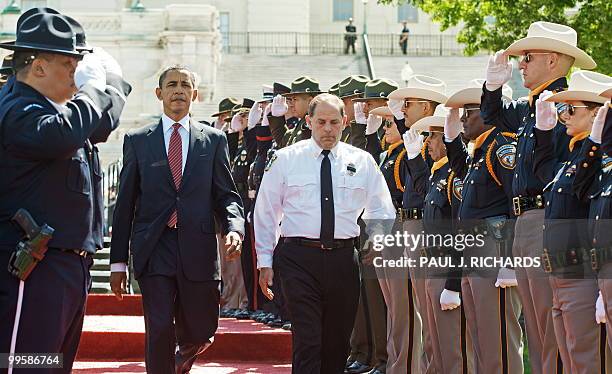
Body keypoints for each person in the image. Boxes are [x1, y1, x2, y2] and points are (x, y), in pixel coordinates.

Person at [0, 11, 130, 373]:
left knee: (53, 365)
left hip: (66, 265)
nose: (77, 75)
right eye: (70, 65)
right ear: (39, 68)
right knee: (25, 365)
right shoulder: (17, 107)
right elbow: (63, 133)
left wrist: (112, 82)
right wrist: (92, 89)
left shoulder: (55, 110)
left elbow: (102, 124)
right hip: (32, 268)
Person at [109, 65, 244, 374]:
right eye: (172, 84)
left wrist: (234, 228)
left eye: (185, 85)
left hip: (197, 246)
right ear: (160, 93)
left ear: (194, 94)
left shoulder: (214, 140)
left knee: (201, 329)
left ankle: (179, 359)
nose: (179, 90)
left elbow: (227, 195)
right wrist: (118, 262)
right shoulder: (138, 140)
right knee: (158, 328)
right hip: (154, 247)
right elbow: (125, 204)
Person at [481, 20, 597, 374]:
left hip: (549, 219)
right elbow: (493, 115)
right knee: (535, 325)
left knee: (554, 325)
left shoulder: (569, 107)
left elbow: (561, 176)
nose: (521, 65)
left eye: (528, 57)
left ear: (552, 60)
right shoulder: (533, 104)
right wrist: (491, 86)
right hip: (525, 223)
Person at [254, 93, 396, 373]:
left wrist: (378, 238)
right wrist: (265, 261)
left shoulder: (362, 161)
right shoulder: (286, 160)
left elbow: (381, 206)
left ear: (344, 122)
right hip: (297, 259)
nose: (328, 129)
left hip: (343, 259)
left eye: (334, 122)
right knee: (308, 340)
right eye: (321, 122)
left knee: (337, 343)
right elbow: (267, 212)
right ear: (309, 122)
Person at [533, 70, 612, 373]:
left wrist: (594, 142)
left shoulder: (598, 159)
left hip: (583, 276)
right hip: (559, 274)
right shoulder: (572, 155)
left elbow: (583, 186)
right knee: (570, 359)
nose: (564, 116)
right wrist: (542, 133)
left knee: (588, 360)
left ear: (597, 114)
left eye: (571, 109)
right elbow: (540, 172)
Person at [443, 87, 524, 374]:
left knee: (498, 337)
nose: (464, 119)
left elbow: (515, 203)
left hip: (493, 250)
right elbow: (459, 170)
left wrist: (509, 261)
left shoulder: (502, 148)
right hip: (474, 250)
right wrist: (450, 138)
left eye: (470, 112)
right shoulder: (480, 151)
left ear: (490, 113)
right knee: (480, 336)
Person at [402, 106, 473, 374]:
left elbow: (461, 231)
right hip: (433, 267)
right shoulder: (437, 174)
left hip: (447, 269)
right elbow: (422, 190)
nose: (427, 143)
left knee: (455, 352)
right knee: (437, 348)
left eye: (432, 136)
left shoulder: (455, 178)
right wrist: (413, 160)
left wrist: (453, 282)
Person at [268, 76, 322, 148]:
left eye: (295, 99)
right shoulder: (303, 122)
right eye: (291, 99)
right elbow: (285, 145)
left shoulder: (315, 124)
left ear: (310, 101)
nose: (291, 104)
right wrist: (277, 118)